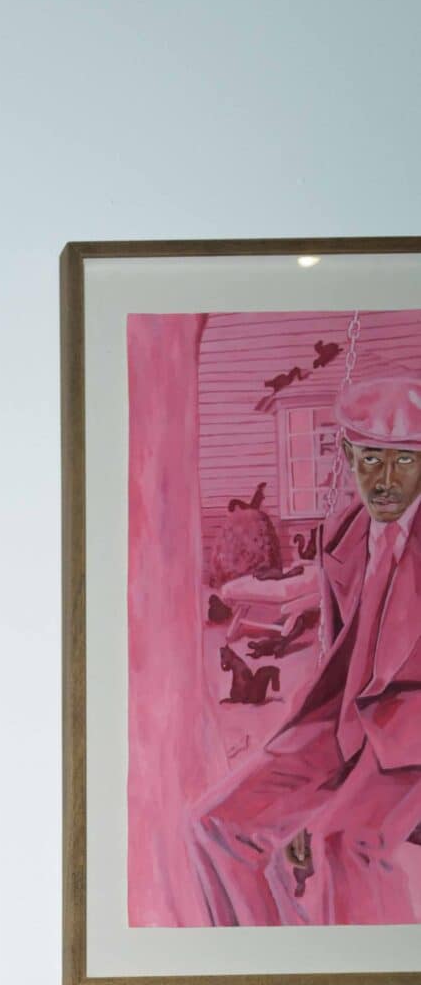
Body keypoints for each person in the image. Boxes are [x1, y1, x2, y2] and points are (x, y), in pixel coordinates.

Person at [186, 373, 421, 927]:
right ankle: (270, 960)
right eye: (371, 459)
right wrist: (311, 783)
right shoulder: (345, 532)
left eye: (406, 461)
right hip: (342, 725)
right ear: (348, 454)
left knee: (345, 842)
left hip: (411, 736)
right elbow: (340, 658)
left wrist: (329, 803)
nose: (385, 481)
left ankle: (369, 974)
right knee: (216, 824)